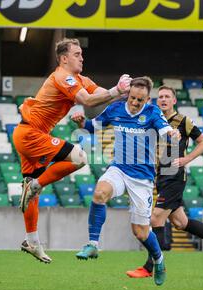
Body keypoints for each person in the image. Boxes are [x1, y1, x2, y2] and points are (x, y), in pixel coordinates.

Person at [12, 38, 132, 264]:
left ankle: (32, 241)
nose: (81, 57)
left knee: (32, 195)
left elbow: (101, 93)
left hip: (29, 134)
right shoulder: (61, 76)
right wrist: (117, 90)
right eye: (77, 54)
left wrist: (124, 92)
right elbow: (87, 100)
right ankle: (36, 184)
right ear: (64, 58)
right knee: (79, 158)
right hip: (31, 135)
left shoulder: (80, 79)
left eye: (81, 54)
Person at [71, 77, 181, 286]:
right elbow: (93, 126)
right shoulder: (115, 109)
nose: (135, 103)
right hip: (119, 169)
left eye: (140, 100)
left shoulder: (152, 113)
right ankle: (93, 244)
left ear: (147, 99)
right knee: (99, 193)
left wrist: (172, 134)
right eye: (132, 98)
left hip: (142, 179)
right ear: (127, 95)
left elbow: (167, 131)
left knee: (139, 232)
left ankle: (159, 260)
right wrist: (81, 123)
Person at [125, 85, 203, 278]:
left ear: (174, 101)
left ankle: (150, 267)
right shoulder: (154, 119)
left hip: (175, 174)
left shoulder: (183, 121)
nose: (163, 99)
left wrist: (187, 158)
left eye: (167, 96)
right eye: (160, 97)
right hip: (160, 176)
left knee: (156, 218)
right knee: (181, 222)